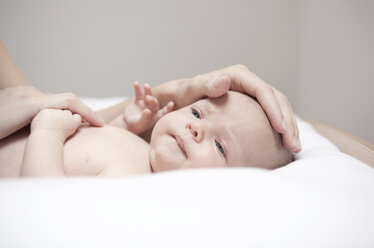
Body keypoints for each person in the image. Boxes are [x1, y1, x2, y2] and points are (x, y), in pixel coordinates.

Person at [0, 41, 300, 177]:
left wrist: (47, 135)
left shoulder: (133, 185)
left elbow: (47, 202)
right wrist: (123, 126)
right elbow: (89, 153)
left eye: (221, 147)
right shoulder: (138, 152)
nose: (197, 127)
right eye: (197, 113)